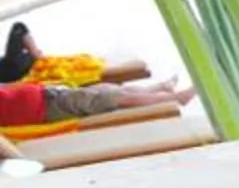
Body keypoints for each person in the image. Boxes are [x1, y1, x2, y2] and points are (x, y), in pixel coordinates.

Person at [0, 72, 195, 128]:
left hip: (47, 95)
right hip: (48, 106)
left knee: (108, 89)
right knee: (113, 97)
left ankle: (159, 88)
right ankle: (177, 98)